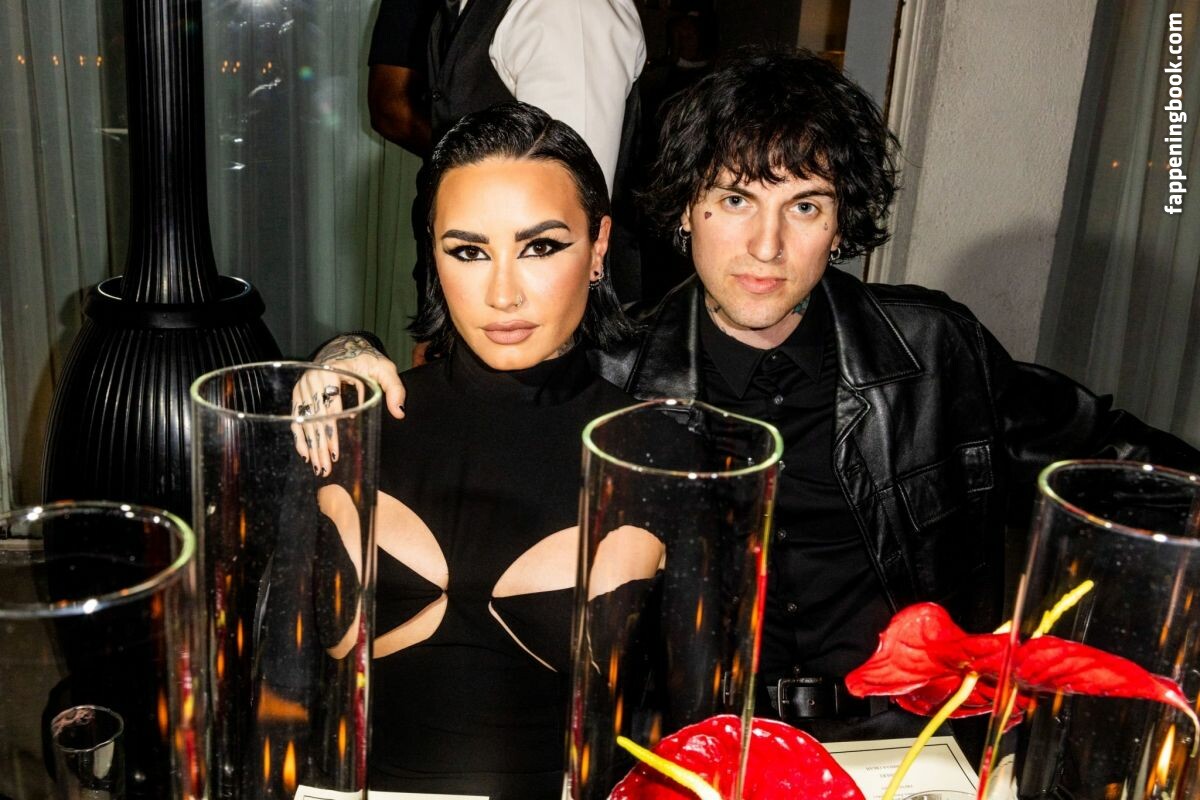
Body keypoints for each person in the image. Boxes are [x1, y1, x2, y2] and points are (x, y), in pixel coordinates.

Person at [309, 50, 1200, 745]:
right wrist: (340, 359)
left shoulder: (930, 351)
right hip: (702, 746)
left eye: (804, 206)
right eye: (734, 199)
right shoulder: (616, 370)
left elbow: (1117, 460)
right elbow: (477, 363)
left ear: (841, 223)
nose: (765, 247)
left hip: (915, 738)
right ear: (684, 209)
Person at [300, 102, 639, 798]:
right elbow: (271, 673)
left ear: (599, 245)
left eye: (540, 247)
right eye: (469, 251)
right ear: (433, 252)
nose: (503, 293)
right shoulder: (351, 421)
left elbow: (696, 718)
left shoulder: (653, 450)